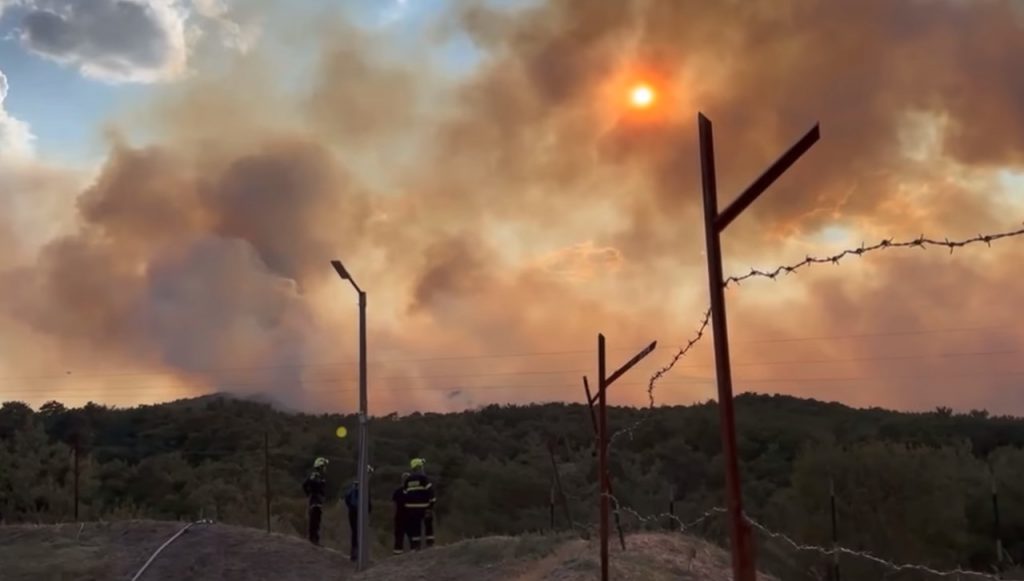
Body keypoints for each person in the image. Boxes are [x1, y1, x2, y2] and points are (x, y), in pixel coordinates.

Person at [401, 457, 436, 550]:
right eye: (421, 466)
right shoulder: (424, 479)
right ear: (419, 467)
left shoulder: (407, 480)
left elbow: (404, 495)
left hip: (411, 510)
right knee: (428, 526)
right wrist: (431, 505)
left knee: (415, 529)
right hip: (425, 508)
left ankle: (416, 547)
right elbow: (431, 492)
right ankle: (430, 545)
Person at [302, 457, 328, 545]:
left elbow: (305, 485)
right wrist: (310, 493)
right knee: (315, 521)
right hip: (316, 501)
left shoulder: (314, 476)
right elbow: (306, 485)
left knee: (315, 521)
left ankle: (314, 539)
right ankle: (313, 539)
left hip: (315, 500)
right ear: (320, 467)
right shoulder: (317, 476)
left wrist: (308, 493)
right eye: (324, 466)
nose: (325, 468)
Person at [392, 472, 410, 555]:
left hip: (399, 516)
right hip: (410, 516)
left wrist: (393, 516)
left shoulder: (397, 492)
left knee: (399, 536)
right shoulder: (412, 491)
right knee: (412, 535)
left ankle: (397, 553)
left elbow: (394, 505)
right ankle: (414, 552)